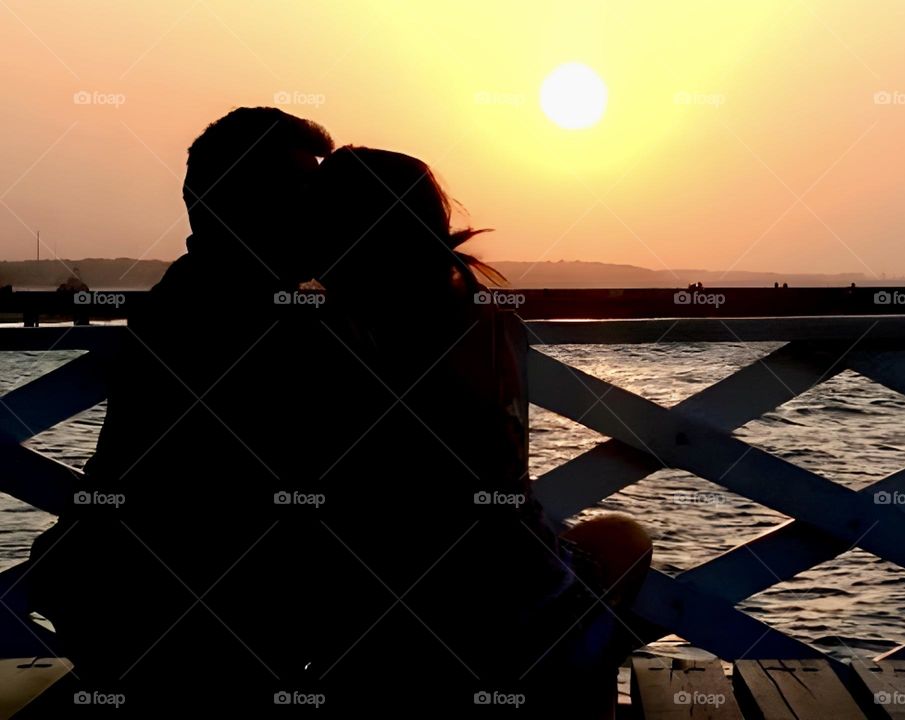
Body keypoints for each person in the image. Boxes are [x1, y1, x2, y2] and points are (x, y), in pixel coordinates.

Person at [302, 146, 653, 717]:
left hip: (377, 633)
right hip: (511, 605)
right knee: (624, 542)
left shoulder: (323, 334)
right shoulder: (487, 320)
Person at [26, 107, 347, 715]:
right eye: (304, 189)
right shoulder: (261, 319)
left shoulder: (191, 296)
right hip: (200, 616)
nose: (321, 210)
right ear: (253, 202)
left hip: (125, 600)